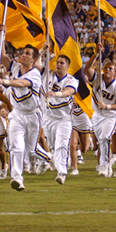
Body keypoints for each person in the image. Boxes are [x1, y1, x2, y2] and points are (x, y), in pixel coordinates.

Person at [0, 35, 51, 191]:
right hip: (17, 114)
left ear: (33, 60)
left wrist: (3, 82)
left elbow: (21, 83)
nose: (23, 55)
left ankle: (48, 158)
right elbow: (2, 56)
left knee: (31, 149)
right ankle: (17, 179)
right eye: (22, 52)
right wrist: (2, 37)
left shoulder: (35, 75)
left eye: (27, 53)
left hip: (32, 115)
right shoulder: (15, 67)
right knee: (16, 146)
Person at [35, 55, 78, 184]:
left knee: (62, 144)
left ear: (67, 66)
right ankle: (46, 160)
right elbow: (34, 63)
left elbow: (68, 92)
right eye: (57, 62)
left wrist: (56, 94)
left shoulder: (72, 80)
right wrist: (42, 50)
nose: (58, 64)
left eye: (62, 63)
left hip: (63, 118)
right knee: (53, 145)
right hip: (48, 117)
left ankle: (62, 172)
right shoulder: (47, 74)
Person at [84, 44, 116, 178]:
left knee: (104, 137)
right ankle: (105, 163)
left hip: (110, 115)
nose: (107, 70)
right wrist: (96, 54)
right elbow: (87, 69)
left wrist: (107, 106)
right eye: (106, 68)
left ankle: (104, 164)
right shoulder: (98, 78)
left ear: (115, 72)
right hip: (97, 115)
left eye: (111, 69)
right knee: (99, 141)